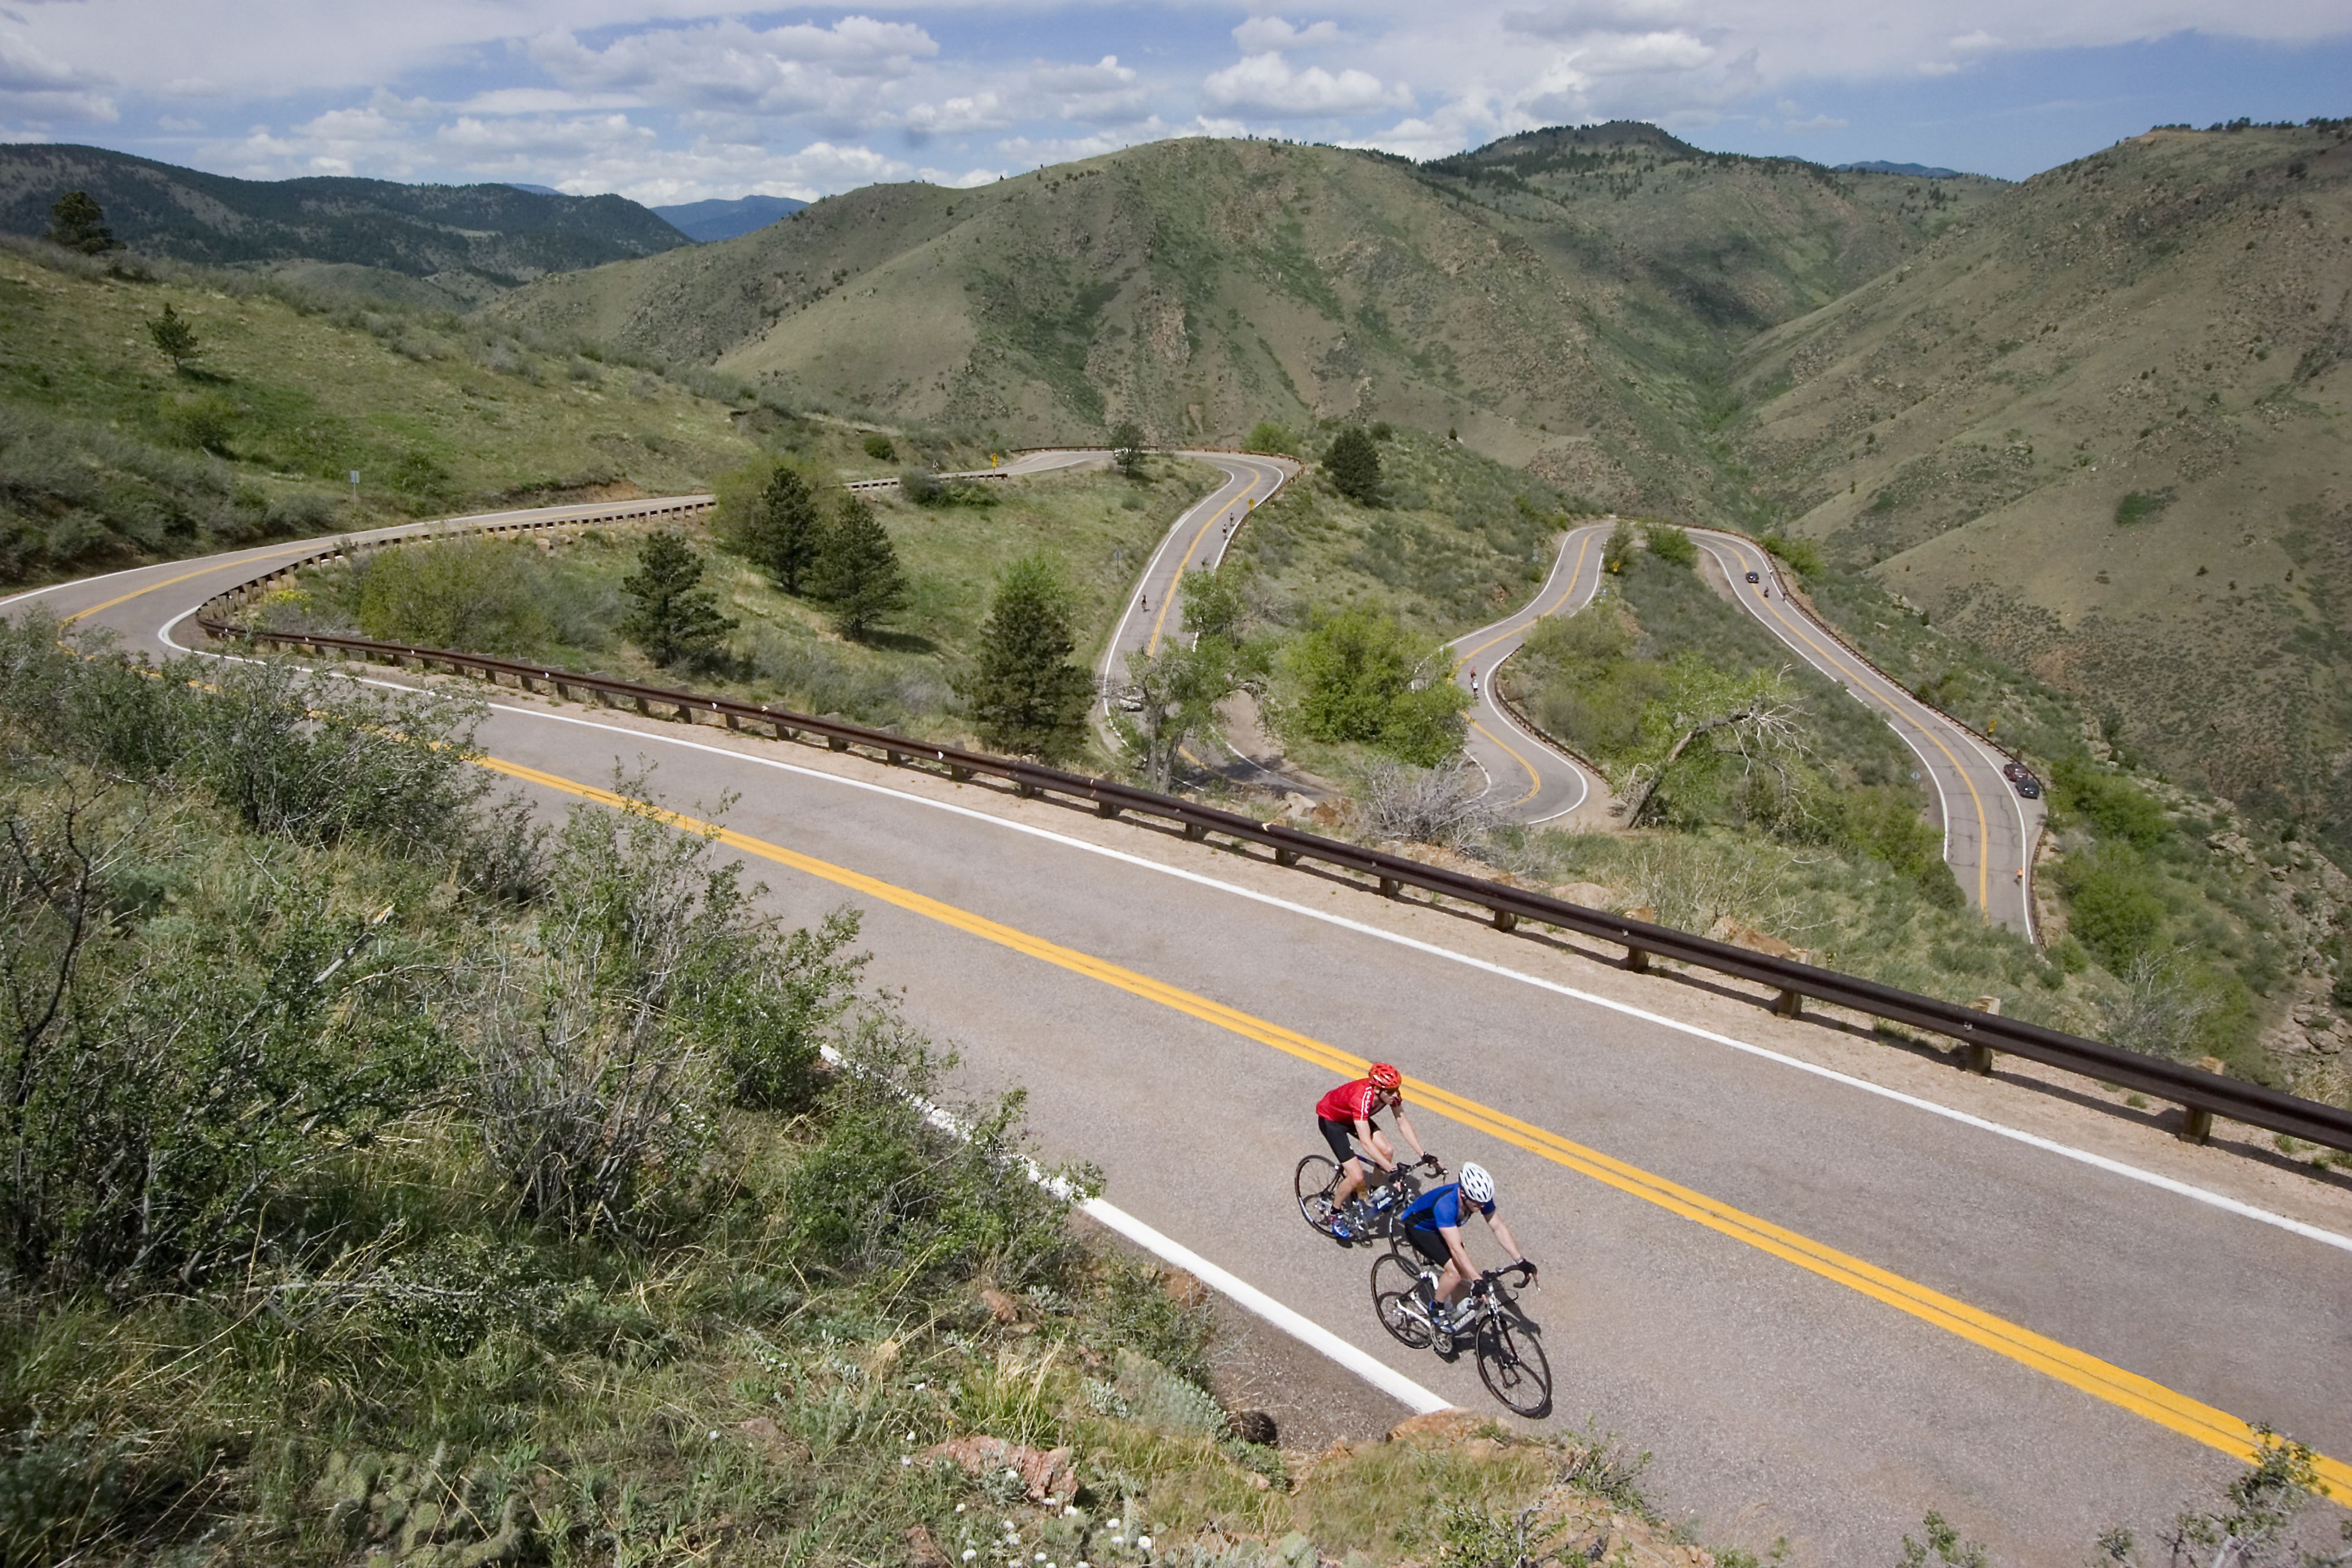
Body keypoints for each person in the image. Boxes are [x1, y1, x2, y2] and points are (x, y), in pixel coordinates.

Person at [1397, 1162, 1533, 1335]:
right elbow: (1455, 1248)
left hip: (1444, 1227)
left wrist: (1521, 1261)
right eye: (1477, 1204)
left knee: (1464, 1277)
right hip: (1419, 1229)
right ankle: (1436, 1307)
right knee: (1455, 1272)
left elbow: (1498, 1227)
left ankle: (1452, 1310)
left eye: (1484, 1202)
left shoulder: (1479, 1199)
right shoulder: (1446, 1205)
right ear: (1463, 1193)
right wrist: (1477, 1280)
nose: (1482, 1207)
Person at [1314, 1064, 1436, 1238]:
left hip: (1354, 1118)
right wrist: (1391, 1170)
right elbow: (1366, 1143)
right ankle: (1335, 1212)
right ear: (1378, 1089)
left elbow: (1403, 1124)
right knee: (1356, 1176)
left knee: (1387, 1150)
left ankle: (1373, 1193)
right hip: (1332, 1121)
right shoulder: (1362, 1098)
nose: (1396, 1094)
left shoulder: (1390, 1095)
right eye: (1391, 1091)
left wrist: (1424, 1154)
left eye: (1397, 1089)